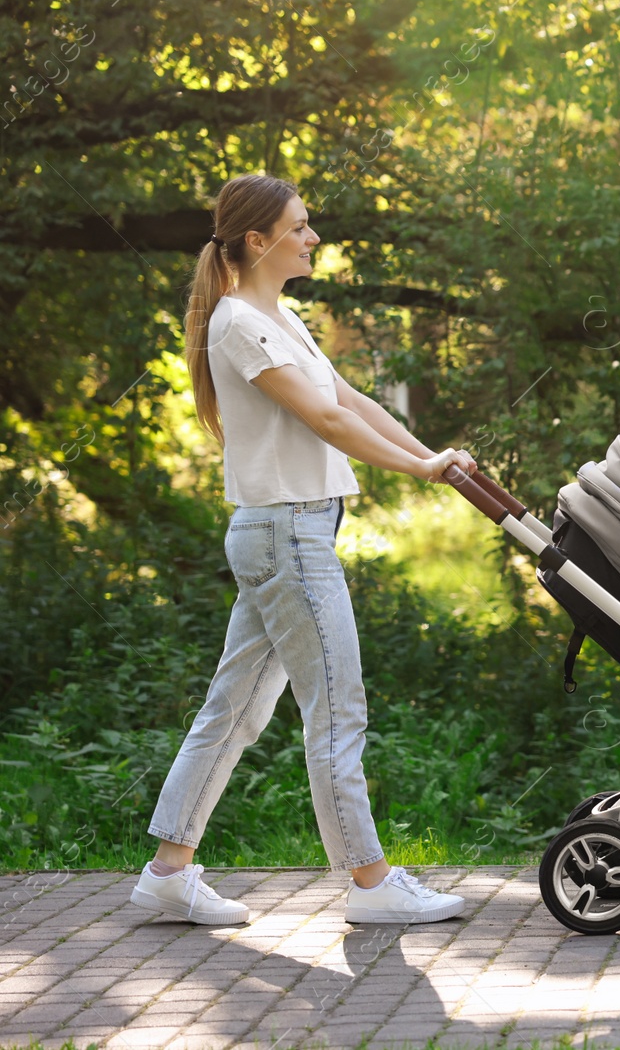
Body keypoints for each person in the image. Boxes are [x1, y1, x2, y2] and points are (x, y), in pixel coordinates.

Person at [131, 174, 474, 925]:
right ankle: (370, 884)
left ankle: (167, 871)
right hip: (287, 533)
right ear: (260, 241)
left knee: (234, 712)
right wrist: (415, 467)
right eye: (302, 226)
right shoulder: (237, 324)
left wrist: (433, 457)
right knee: (336, 710)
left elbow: (350, 399)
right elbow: (322, 418)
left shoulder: (280, 317)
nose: (314, 237)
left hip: (292, 530)